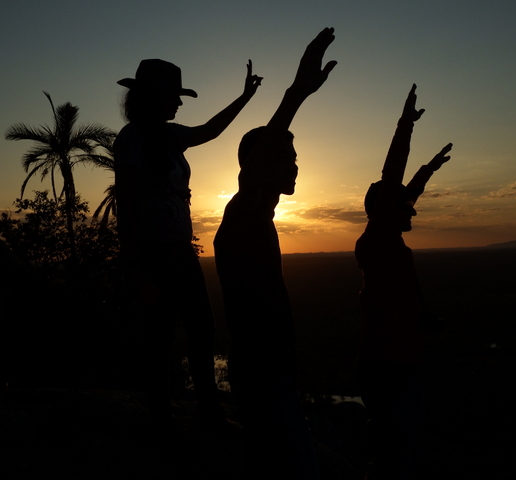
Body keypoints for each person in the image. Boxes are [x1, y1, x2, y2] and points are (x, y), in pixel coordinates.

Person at [213, 28, 337, 480]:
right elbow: (265, 149)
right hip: (263, 375)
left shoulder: (255, 216)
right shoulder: (243, 213)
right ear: (260, 165)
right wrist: (296, 92)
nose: (295, 165)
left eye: (295, 156)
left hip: (269, 371)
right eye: (285, 157)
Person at [114, 58, 262, 429]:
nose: (179, 103)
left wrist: (245, 97)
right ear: (152, 97)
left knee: (202, 325)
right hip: (154, 250)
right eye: (173, 96)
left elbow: (211, 130)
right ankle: (162, 414)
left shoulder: (169, 135)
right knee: (162, 332)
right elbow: (126, 203)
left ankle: (208, 410)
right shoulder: (133, 139)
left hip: (179, 247)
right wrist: (134, 265)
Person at [355, 84, 452, 479]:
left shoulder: (389, 241)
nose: (412, 211)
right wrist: (405, 125)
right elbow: (393, 176)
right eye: (404, 207)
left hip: (399, 361)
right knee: (396, 454)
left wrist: (429, 170)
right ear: (384, 210)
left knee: (402, 448)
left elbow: (405, 192)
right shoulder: (378, 239)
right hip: (387, 366)